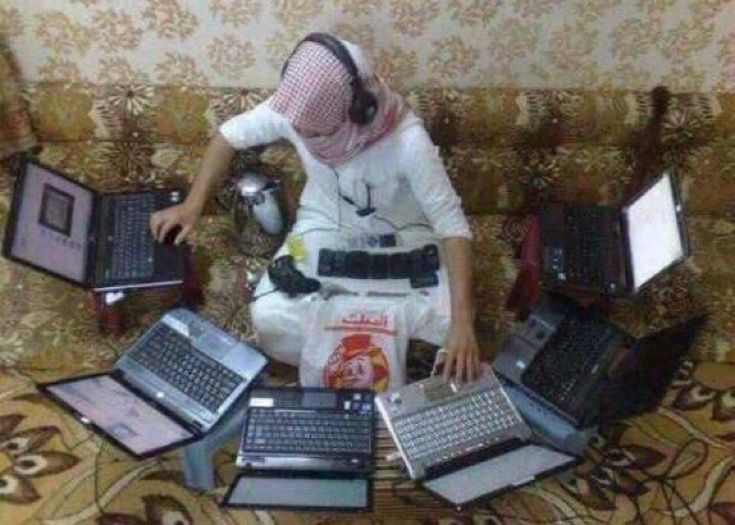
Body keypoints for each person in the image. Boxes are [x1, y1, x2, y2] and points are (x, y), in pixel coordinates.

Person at [150, 33, 481, 386]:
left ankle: (351, 341)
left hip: (405, 236)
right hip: (323, 225)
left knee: (451, 324)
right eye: (301, 131)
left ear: (358, 109)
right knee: (267, 318)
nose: (308, 139)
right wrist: (192, 205)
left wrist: (462, 324)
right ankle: (358, 344)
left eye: (320, 133)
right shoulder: (293, 109)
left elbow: (452, 226)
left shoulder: (408, 141)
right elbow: (228, 136)